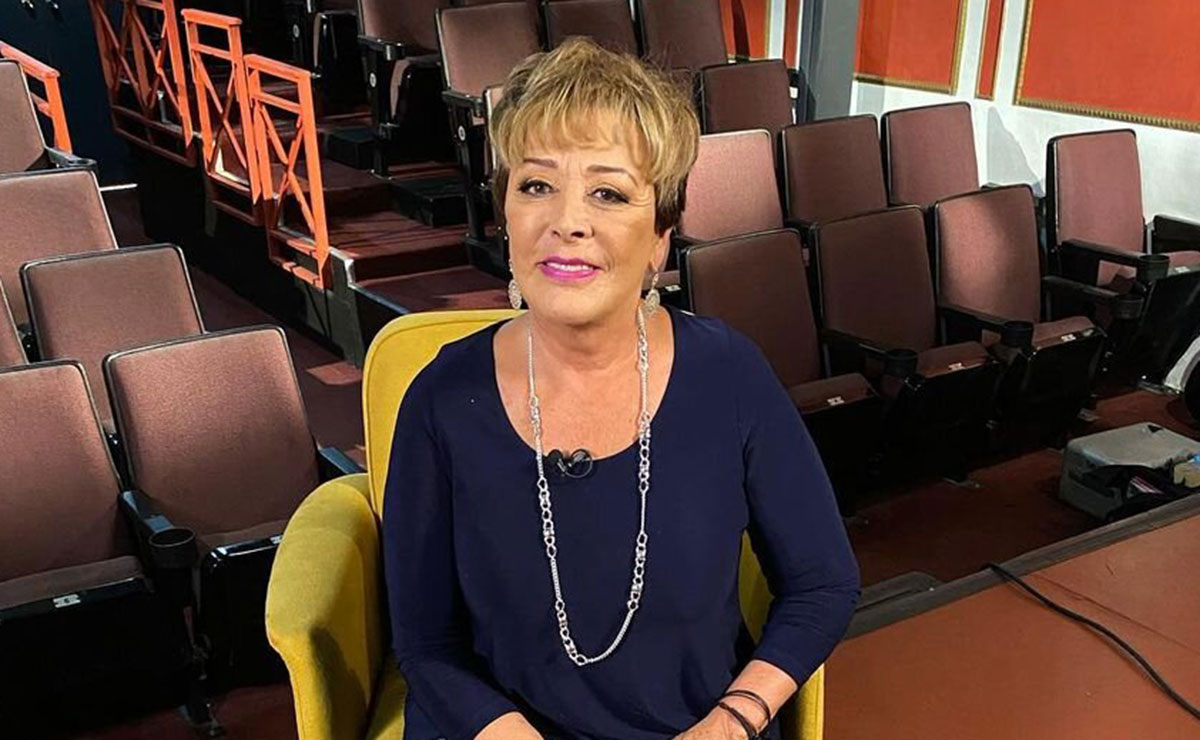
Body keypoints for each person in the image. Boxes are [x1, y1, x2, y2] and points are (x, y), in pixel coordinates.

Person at [383, 38, 859, 740]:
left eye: (608, 192)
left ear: (660, 237)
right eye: (536, 185)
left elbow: (822, 584)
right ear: (506, 213)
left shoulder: (728, 374)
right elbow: (426, 644)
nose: (567, 221)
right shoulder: (442, 397)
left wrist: (734, 719)